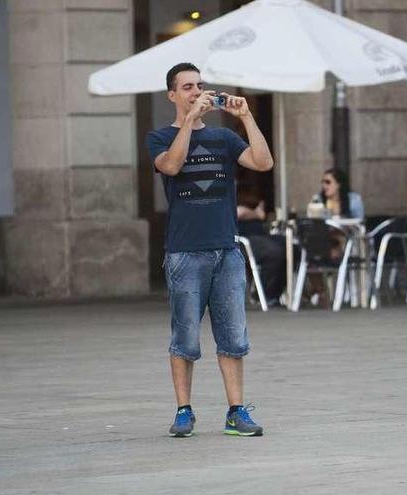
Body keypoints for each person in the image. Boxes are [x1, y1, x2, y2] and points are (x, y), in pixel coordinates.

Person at [146, 62, 274, 438]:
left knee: (233, 337)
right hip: (184, 252)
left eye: (199, 85)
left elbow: (263, 162)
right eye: (187, 87)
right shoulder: (159, 137)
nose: (195, 91)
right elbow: (171, 166)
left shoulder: (223, 139)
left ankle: (236, 411)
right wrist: (188, 123)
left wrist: (246, 117)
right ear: (172, 95)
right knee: (185, 337)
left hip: (226, 250)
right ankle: (184, 410)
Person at [237, 190, 288, 304]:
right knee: (274, 252)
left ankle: (276, 292)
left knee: (291, 249)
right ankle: (265, 294)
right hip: (244, 241)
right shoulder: (230, 196)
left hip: (261, 236)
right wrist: (257, 213)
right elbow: (238, 212)